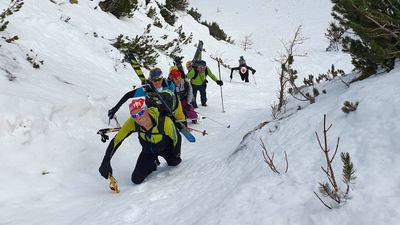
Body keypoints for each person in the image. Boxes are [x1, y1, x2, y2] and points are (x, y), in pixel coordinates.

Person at [99, 96, 182, 184]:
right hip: (148, 152)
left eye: (140, 112)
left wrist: (177, 153)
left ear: (146, 110)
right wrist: (106, 160)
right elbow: (117, 140)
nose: (138, 118)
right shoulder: (132, 123)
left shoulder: (164, 122)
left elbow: (176, 137)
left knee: (175, 162)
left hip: (166, 149)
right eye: (134, 115)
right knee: (136, 179)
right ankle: (153, 163)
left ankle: (167, 159)